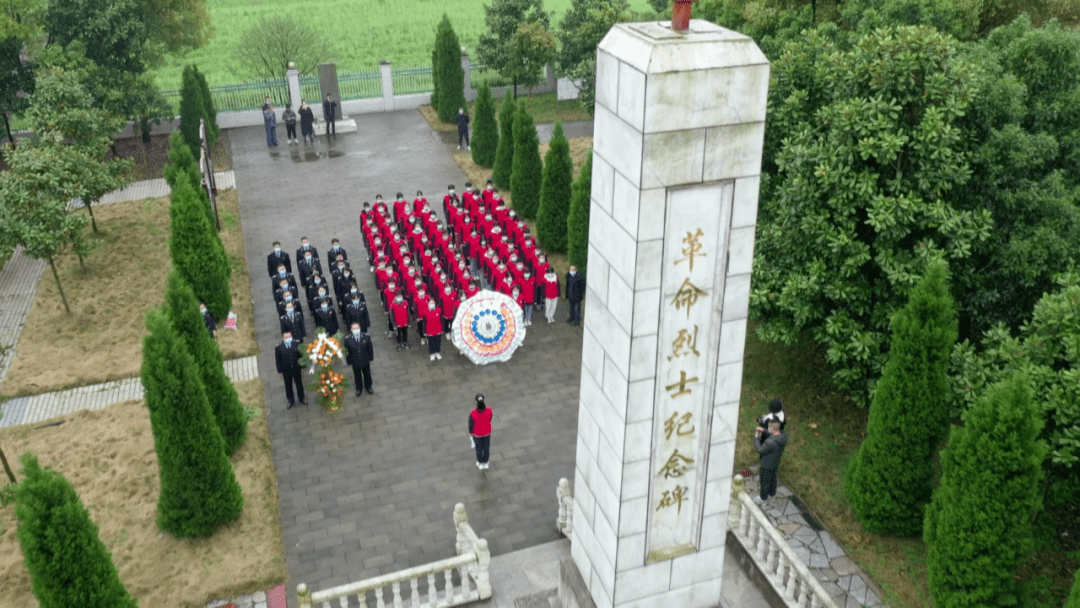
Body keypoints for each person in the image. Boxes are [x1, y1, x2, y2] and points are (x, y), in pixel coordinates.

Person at [753, 420, 789, 505]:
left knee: (764, 482)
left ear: (772, 429)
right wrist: (764, 431)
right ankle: (772, 493)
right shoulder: (783, 435)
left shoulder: (769, 442)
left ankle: (763, 498)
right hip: (775, 463)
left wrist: (757, 437)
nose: (768, 428)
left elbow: (760, 449)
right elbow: (774, 436)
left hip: (766, 465)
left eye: (769, 427)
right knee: (773, 479)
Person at [275, 331, 306, 409]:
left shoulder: (296, 344)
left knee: (299, 383)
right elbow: (278, 360)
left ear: (291, 337)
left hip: (296, 368)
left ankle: (301, 398)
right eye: (286, 337)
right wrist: (279, 371)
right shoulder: (279, 347)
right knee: (288, 385)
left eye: (289, 337)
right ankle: (290, 400)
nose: (288, 338)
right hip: (286, 370)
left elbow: (301, 355)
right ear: (283, 338)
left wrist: (302, 366)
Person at [344, 322, 375, 396]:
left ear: (360, 328)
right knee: (357, 376)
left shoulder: (366, 337)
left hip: (365, 360)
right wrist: (349, 362)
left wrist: (371, 358)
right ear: (351, 330)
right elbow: (347, 352)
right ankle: (359, 388)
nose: (356, 330)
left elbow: (370, 348)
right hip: (355, 361)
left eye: (357, 328)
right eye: (354, 328)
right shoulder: (348, 340)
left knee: (367, 374)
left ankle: (368, 387)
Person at [468, 394, 492, 470]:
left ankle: (480, 462)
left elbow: (471, 425)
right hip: (487, 432)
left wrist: (471, 433)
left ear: (476, 401)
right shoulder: (489, 410)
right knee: (486, 448)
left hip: (477, 434)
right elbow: (490, 419)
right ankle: (486, 462)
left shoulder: (473, 413)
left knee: (479, 449)